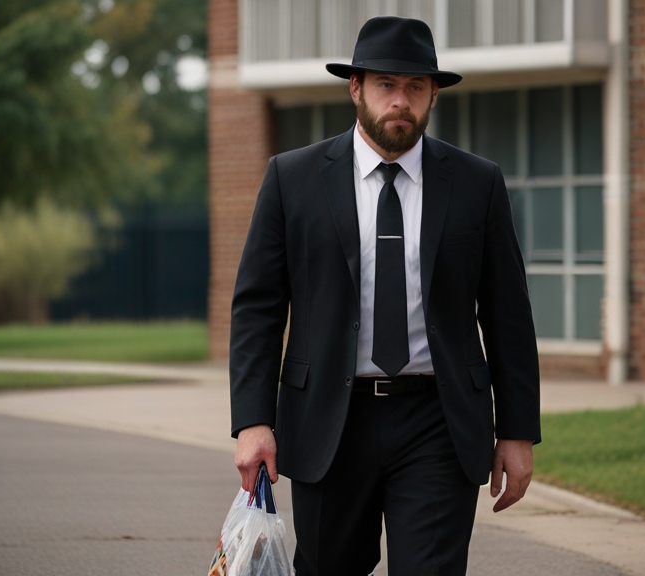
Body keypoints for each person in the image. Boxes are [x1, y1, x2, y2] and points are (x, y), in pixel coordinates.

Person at [229, 15, 541, 576]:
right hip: (330, 419)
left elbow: (508, 315)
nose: (401, 100)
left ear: (433, 95)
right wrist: (253, 421)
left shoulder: (477, 183)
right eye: (386, 85)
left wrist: (517, 431)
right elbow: (258, 308)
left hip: (438, 420)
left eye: (416, 87)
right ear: (356, 88)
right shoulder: (292, 179)